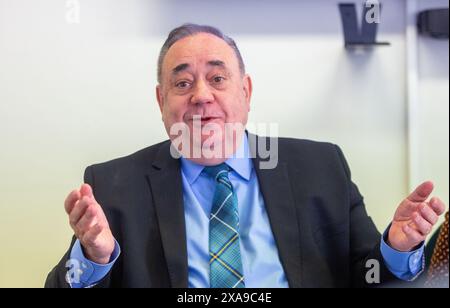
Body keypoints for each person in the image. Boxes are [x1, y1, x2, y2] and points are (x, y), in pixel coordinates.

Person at [45, 24, 446, 288]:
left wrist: (397, 247)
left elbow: (368, 276)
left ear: (246, 92)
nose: (202, 96)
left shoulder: (320, 168)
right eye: (182, 83)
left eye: (218, 78)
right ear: (161, 100)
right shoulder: (115, 185)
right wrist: (93, 259)